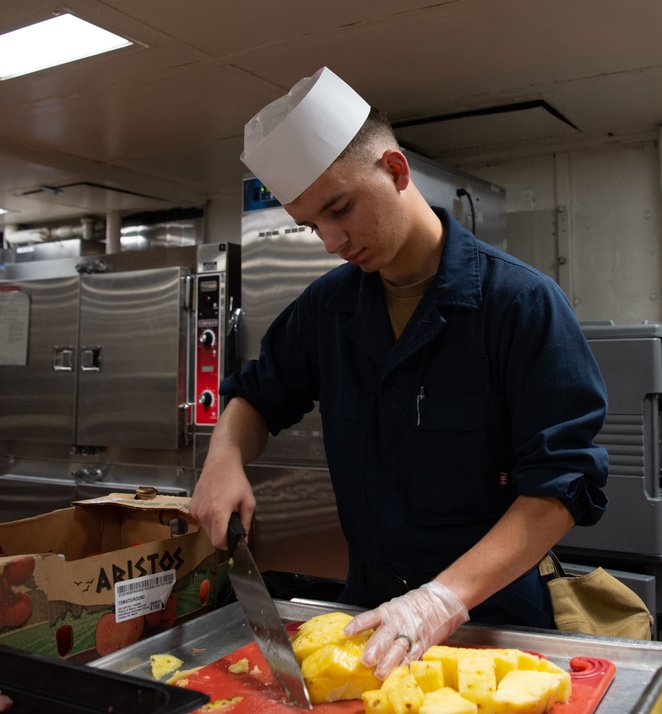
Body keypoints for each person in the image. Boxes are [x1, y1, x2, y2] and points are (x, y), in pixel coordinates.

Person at [189, 67, 609, 679]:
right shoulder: (328, 309)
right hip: (366, 610)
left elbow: (561, 486)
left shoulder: (520, 303)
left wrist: (441, 599)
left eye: (339, 209)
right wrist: (222, 459)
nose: (332, 241)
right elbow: (257, 396)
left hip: (490, 619)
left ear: (396, 169)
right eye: (312, 226)